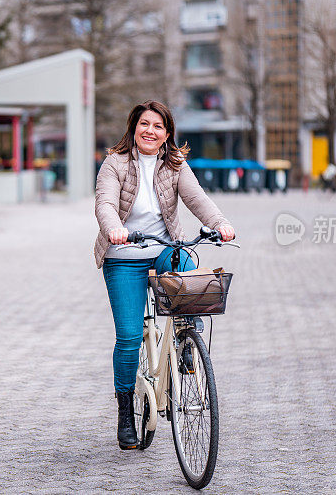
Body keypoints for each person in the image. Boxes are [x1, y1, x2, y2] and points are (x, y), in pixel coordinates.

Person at [94, 100, 235, 450]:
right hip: (123, 255)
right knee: (128, 338)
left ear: (167, 133)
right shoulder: (114, 163)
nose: (150, 131)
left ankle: (189, 331)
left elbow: (197, 198)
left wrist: (220, 224)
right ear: (134, 127)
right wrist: (114, 229)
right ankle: (126, 412)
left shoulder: (175, 164)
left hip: (161, 249)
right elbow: (105, 203)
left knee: (186, 258)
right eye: (144, 124)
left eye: (158, 126)